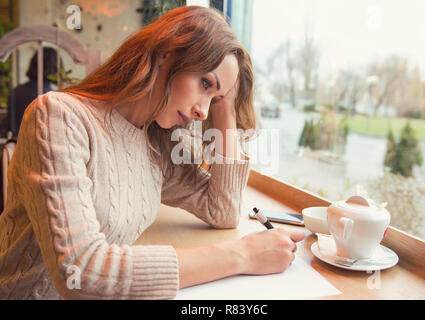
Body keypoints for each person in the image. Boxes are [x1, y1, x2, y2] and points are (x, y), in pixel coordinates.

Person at [0, 6, 305, 300]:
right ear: (165, 54)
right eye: (204, 83)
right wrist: (242, 255)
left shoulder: (155, 142)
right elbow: (80, 272)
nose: (203, 111)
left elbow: (222, 210)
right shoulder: (59, 117)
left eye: (215, 98)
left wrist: (226, 109)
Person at [7, 47, 62, 138]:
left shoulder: (16, 91)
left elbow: (10, 126)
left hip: (18, 144)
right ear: (56, 66)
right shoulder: (52, 96)